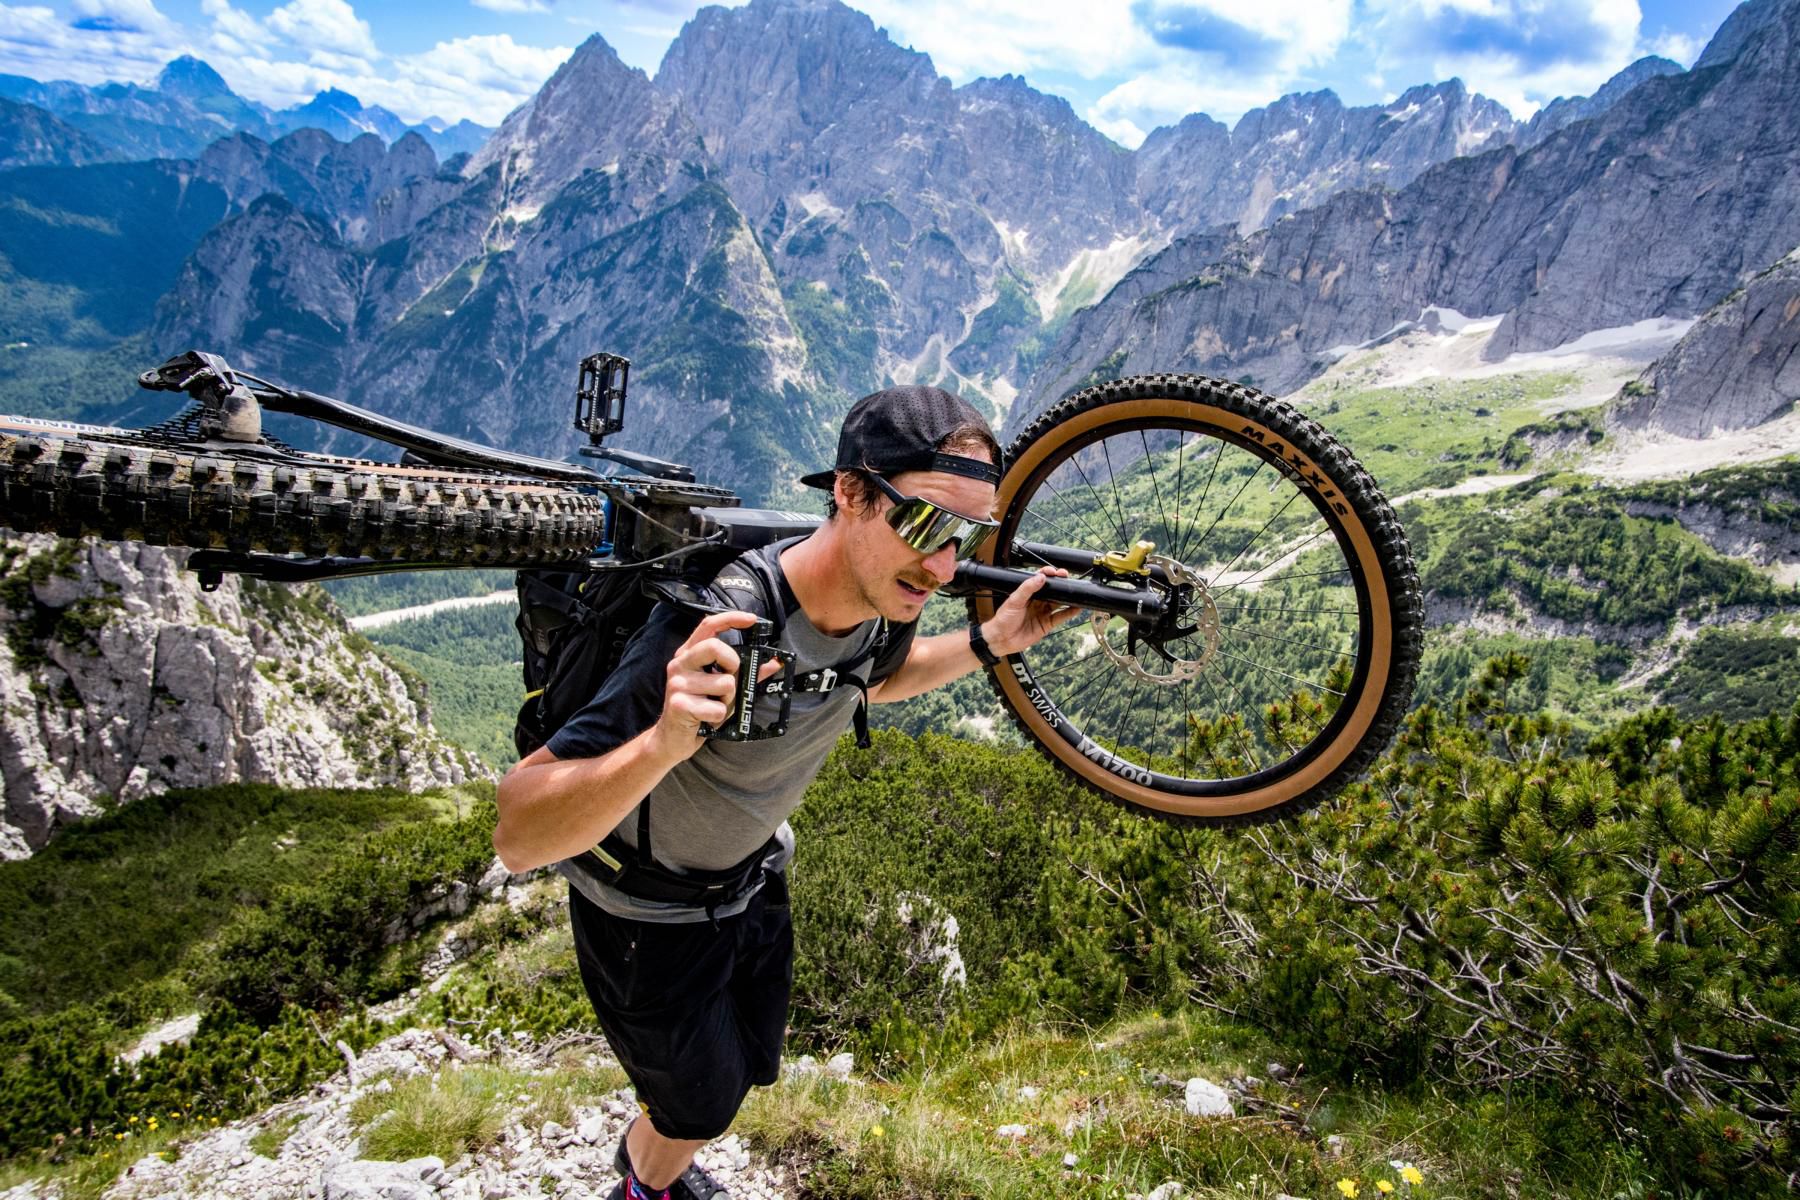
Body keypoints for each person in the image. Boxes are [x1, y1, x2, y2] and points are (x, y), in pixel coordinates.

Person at [493, 385, 1080, 1200]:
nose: (946, 565)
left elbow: (874, 678)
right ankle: (643, 1186)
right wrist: (664, 741)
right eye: (925, 523)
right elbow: (519, 831)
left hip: (753, 879)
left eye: (969, 535)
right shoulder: (718, 621)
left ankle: (656, 1146)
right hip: (645, 914)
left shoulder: (884, 603)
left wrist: (991, 640)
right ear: (850, 492)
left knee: (745, 1068)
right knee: (698, 1106)